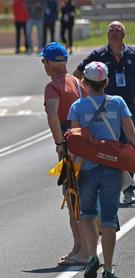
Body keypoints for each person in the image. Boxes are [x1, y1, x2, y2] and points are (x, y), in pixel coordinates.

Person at [68, 61, 135, 278]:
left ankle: (91, 258)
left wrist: (69, 169)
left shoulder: (77, 107)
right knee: (108, 219)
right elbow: (131, 133)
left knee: (87, 214)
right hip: (112, 167)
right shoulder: (118, 102)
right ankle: (107, 268)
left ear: (85, 83)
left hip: (87, 168)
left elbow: (74, 143)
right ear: (106, 82)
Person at [73, 21, 135, 203]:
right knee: (111, 145)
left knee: (127, 145)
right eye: (111, 30)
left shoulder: (132, 54)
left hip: (129, 106)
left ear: (124, 35)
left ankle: (128, 186)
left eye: (118, 30)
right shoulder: (98, 56)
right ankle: (121, 186)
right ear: (107, 35)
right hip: (104, 107)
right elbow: (77, 75)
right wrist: (89, 97)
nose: (114, 33)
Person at [40, 42, 89, 266]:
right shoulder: (78, 83)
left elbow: (52, 114)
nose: (44, 65)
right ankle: (79, 247)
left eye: (44, 61)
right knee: (79, 195)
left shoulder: (53, 87)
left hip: (69, 144)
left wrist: (59, 143)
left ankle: (83, 251)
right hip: (85, 142)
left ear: (48, 64)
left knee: (72, 197)